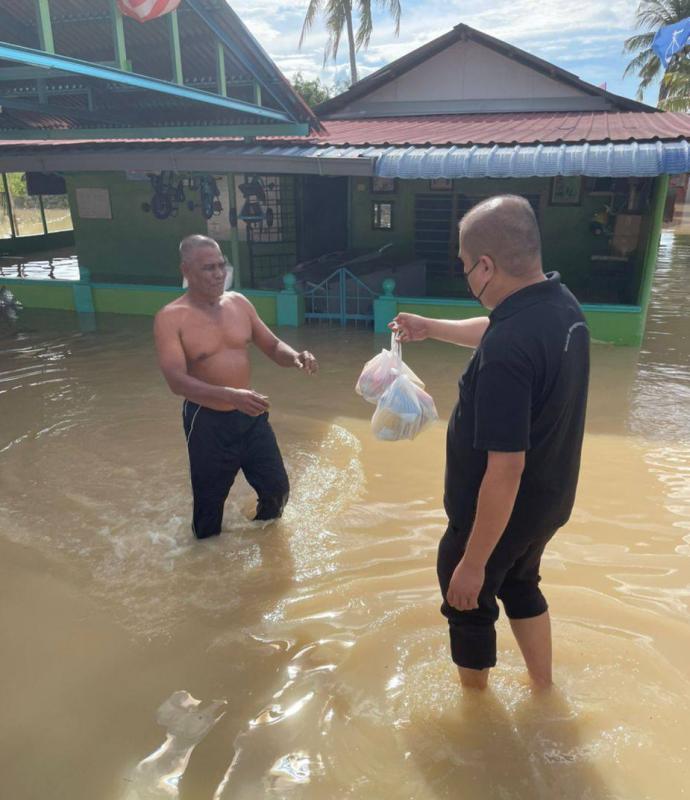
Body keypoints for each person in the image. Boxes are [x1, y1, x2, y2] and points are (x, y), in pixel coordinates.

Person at [391, 195, 589, 690]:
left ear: (485, 264)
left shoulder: (507, 350)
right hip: (549, 501)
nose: (465, 276)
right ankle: (543, 688)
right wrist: (430, 328)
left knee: (467, 601)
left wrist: (472, 563)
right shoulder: (560, 304)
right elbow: (497, 328)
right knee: (521, 584)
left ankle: (477, 723)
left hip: (500, 510)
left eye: (464, 266)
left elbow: (505, 469)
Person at [154, 234, 318, 539]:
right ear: (186, 270)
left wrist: (295, 357)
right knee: (209, 509)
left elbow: (271, 345)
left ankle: (261, 542)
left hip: (250, 414)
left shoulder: (239, 303)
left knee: (277, 490)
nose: (218, 274)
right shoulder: (170, 318)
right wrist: (229, 396)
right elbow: (176, 381)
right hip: (207, 421)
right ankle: (207, 567)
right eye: (208, 268)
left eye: (221, 265)